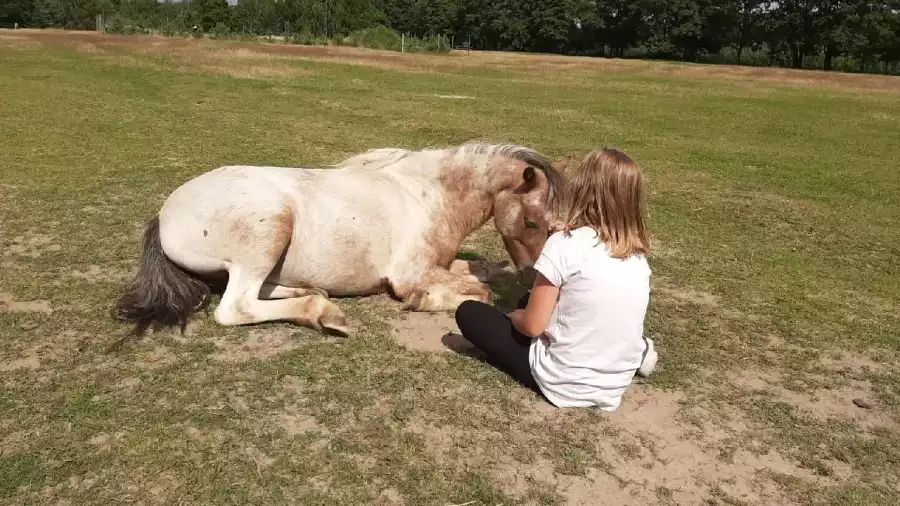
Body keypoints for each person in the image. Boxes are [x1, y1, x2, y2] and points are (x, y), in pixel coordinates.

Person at [454, 147, 657, 411]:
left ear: (582, 189)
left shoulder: (565, 244)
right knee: (534, 298)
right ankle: (639, 352)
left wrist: (515, 317)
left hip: (562, 382)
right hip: (615, 381)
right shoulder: (637, 254)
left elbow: (533, 327)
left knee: (470, 313)